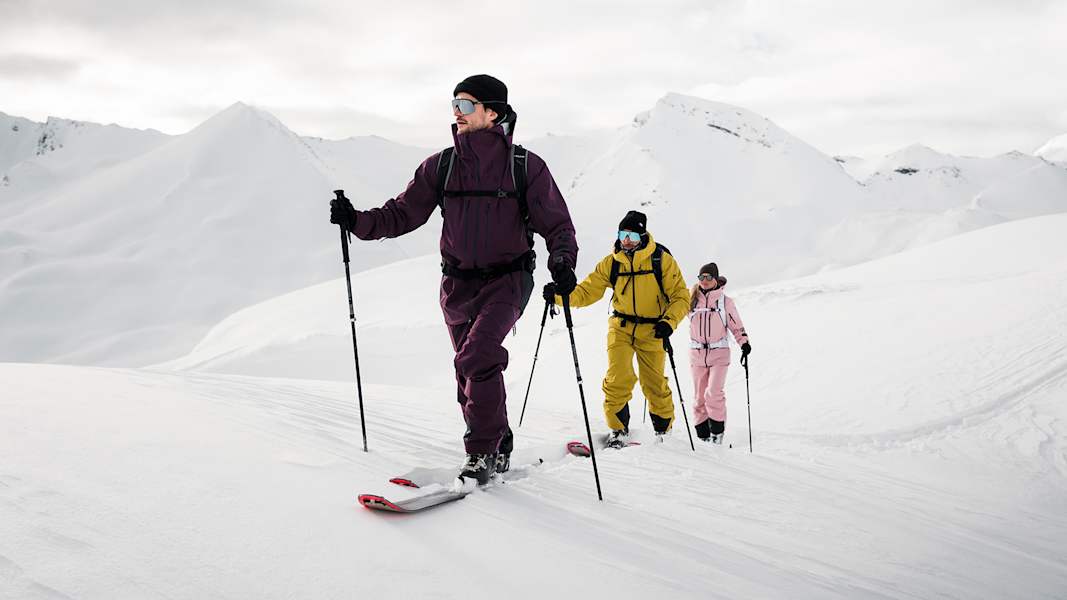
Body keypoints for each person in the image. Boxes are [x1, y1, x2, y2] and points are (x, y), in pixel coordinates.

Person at [329, 75, 579, 485]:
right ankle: (498, 440)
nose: (456, 113)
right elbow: (402, 214)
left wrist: (563, 263)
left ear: (492, 113)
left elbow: (557, 225)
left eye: (465, 105)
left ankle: (481, 453)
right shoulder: (442, 166)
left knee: (477, 356)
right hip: (457, 285)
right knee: (468, 374)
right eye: (454, 105)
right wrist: (356, 220)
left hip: (509, 280)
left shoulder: (525, 167)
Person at [543, 210, 688, 448]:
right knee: (617, 378)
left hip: (653, 329)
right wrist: (559, 296)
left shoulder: (661, 260)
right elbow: (587, 291)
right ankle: (618, 431)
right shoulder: (611, 263)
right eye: (622, 235)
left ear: (642, 235)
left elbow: (681, 296)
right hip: (621, 328)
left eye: (632, 235)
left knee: (654, 384)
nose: (626, 240)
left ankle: (663, 432)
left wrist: (668, 322)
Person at [687, 262, 750, 444]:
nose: (704, 280)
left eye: (708, 277)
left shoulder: (724, 301)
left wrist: (744, 343)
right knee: (699, 398)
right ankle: (702, 438)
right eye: (701, 277)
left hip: (719, 354)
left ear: (715, 279)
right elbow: (674, 312)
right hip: (697, 355)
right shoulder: (691, 299)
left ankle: (716, 435)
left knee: (713, 393)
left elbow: (736, 326)